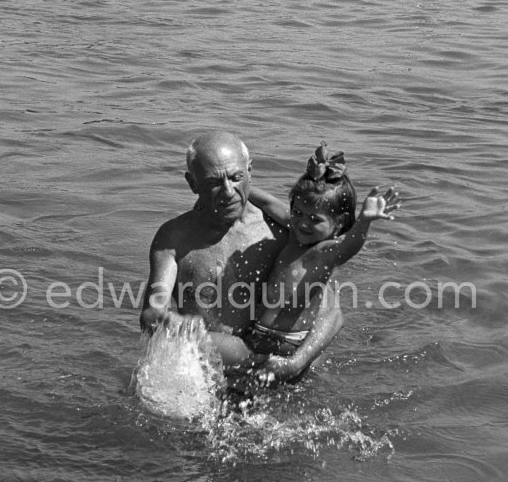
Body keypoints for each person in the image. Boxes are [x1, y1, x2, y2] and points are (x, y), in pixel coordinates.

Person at [140, 131, 343, 381]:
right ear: (193, 183)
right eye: (214, 182)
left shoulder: (284, 232)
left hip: (285, 372)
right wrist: (176, 325)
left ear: (249, 171)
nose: (228, 191)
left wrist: (295, 363)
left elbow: (332, 314)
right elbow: (151, 314)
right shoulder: (174, 238)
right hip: (213, 377)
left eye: (236, 178)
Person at [209, 142, 399, 384]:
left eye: (314, 219)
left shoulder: (324, 251)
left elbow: (349, 247)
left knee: (197, 340)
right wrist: (239, 188)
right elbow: (267, 204)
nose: (303, 223)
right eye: (297, 212)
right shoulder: (295, 231)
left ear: (338, 224)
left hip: (283, 342)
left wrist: (364, 221)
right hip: (261, 334)